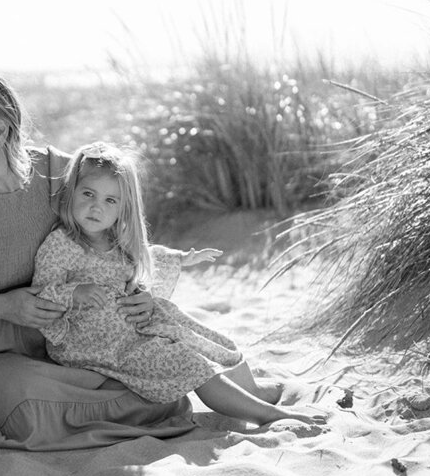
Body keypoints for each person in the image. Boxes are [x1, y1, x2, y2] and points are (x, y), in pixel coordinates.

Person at [0, 71, 197, 451]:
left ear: (0, 131)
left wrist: (140, 291)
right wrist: (5, 305)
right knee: (31, 402)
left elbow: (114, 235)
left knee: (155, 378)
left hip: (65, 344)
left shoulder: (62, 175)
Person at [34, 141, 322, 426]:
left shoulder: (116, 242)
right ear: (71, 193)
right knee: (188, 362)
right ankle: (266, 416)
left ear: (123, 208)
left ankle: (253, 391)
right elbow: (40, 296)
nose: (96, 207)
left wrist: (157, 282)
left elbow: (138, 274)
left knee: (198, 335)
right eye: (88, 194)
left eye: (110, 200)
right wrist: (75, 292)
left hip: (132, 328)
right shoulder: (61, 244)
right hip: (93, 342)